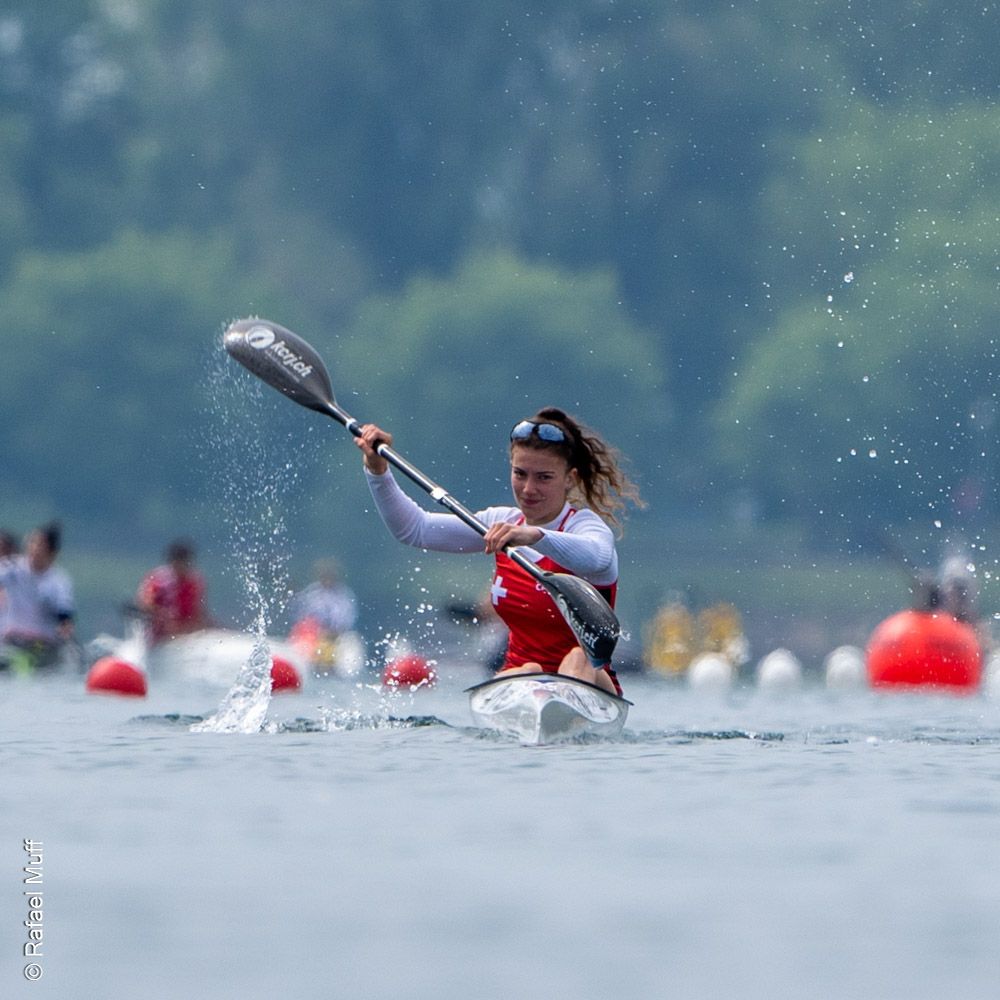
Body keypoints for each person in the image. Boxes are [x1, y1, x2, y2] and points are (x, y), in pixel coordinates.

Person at [355, 407, 642, 695]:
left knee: (577, 658)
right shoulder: (500, 522)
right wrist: (378, 471)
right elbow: (415, 529)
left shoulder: (585, 527)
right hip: (521, 677)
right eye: (520, 474)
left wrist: (534, 536)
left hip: (590, 682)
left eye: (544, 477)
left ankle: (559, 700)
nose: (528, 488)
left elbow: (596, 558)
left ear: (570, 478)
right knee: (528, 671)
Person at [0, 521, 75, 670]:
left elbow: (65, 618)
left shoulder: (59, 581)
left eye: (40, 545)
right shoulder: (12, 568)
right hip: (13, 642)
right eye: (32, 543)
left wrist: (65, 631)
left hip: (43, 647)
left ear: (52, 553)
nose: (34, 549)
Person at [136, 539, 210, 645]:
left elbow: (199, 612)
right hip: (159, 636)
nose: (183, 567)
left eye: (186, 563)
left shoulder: (195, 581)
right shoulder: (158, 581)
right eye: (180, 562)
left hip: (185, 632)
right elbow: (145, 604)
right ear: (172, 562)